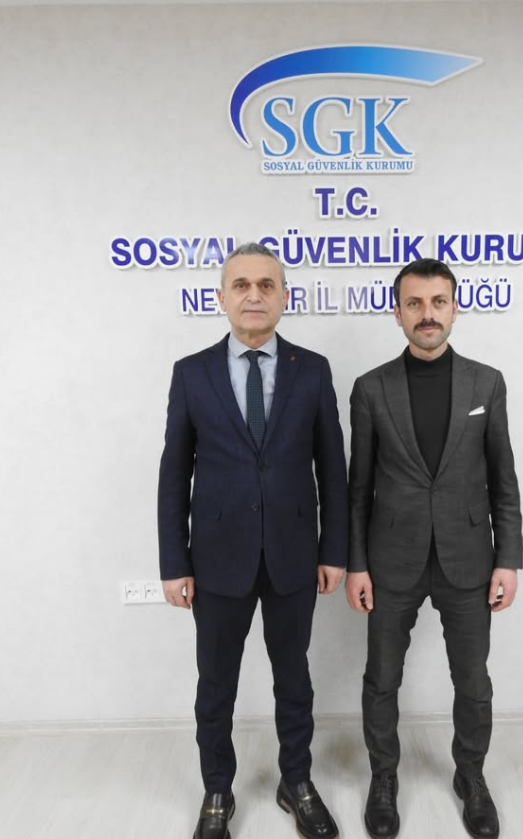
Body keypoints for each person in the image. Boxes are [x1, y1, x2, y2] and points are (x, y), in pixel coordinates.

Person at [158, 242, 348, 839]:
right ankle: (218, 789)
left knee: (294, 680)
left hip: (295, 556)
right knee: (216, 685)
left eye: (267, 284)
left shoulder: (311, 370)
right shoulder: (191, 373)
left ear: (284, 296)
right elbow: (174, 473)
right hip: (217, 560)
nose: (254, 295)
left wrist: (334, 550)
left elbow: (333, 469)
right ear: (222, 297)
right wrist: (173, 562)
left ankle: (298, 782)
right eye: (241, 285)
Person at [346, 258, 523, 839]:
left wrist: (508, 558)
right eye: (415, 303)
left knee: (473, 681)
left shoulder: (486, 383)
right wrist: (356, 565)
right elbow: (357, 488)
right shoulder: (371, 388)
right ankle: (383, 777)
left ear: (454, 308)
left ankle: (471, 775)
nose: (427, 314)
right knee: (381, 679)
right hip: (390, 560)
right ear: (397, 313)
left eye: (438, 302)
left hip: (468, 558)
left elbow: (503, 479)